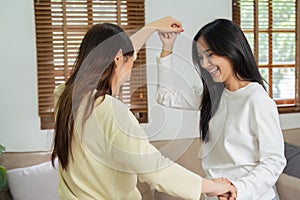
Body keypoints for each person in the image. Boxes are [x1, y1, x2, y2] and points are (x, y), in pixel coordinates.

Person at [51, 16, 236, 200]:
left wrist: (153, 27)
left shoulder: (64, 96)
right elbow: (155, 169)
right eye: (131, 59)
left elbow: (121, 52)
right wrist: (212, 187)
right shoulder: (110, 111)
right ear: (118, 58)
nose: (132, 67)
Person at [156, 18, 286, 200]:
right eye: (200, 57)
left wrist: (237, 189)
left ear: (231, 49)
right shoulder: (212, 95)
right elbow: (165, 95)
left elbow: (274, 161)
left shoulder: (256, 100)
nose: (204, 64)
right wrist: (167, 46)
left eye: (210, 55)